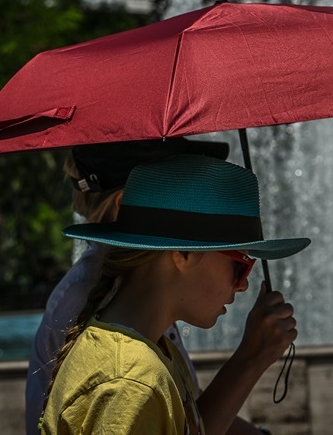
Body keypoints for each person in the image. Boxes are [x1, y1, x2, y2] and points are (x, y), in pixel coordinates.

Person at [25, 140, 304, 435]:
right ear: (183, 253)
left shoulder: (157, 351)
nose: (244, 284)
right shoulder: (130, 384)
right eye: (240, 265)